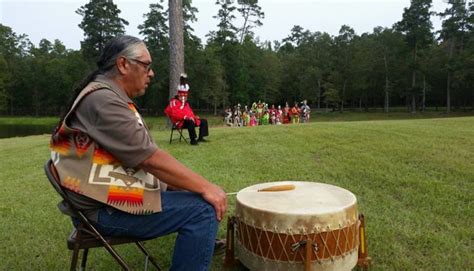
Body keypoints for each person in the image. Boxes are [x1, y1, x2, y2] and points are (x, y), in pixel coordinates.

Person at [49, 35, 227, 270]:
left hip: (104, 201)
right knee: (202, 211)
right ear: (123, 65)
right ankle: (200, 238)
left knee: (193, 196)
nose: (151, 73)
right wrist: (207, 187)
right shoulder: (104, 100)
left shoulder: (106, 94)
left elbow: (139, 158)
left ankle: (200, 242)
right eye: (146, 65)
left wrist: (185, 186)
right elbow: (150, 159)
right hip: (103, 211)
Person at [164, 74, 209, 145]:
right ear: (179, 95)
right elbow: (175, 114)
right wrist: (185, 117)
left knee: (204, 121)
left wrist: (194, 117)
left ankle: (201, 137)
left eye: (185, 96)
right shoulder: (174, 102)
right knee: (190, 122)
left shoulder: (186, 104)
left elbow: (189, 113)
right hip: (180, 122)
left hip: (189, 120)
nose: (184, 97)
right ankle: (193, 140)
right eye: (182, 95)